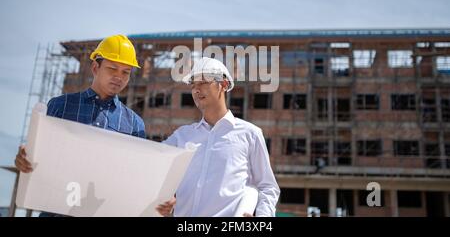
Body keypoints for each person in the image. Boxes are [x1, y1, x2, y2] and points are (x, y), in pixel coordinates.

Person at [14, 34, 146, 216]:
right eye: (112, 69)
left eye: (126, 72)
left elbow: (134, 178)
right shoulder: (60, 105)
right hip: (55, 211)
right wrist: (25, 157)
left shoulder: (134, 124)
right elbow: (39, 155)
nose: (119, 77)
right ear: (95, 67)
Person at [156, 57, 280, 217]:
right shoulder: (181, 136)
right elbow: (155, 171)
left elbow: (267, 187)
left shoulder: (250, 134)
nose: (196, 89)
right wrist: (162, 197)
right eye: (193, 85)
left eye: (203, 82)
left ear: (224, 84)